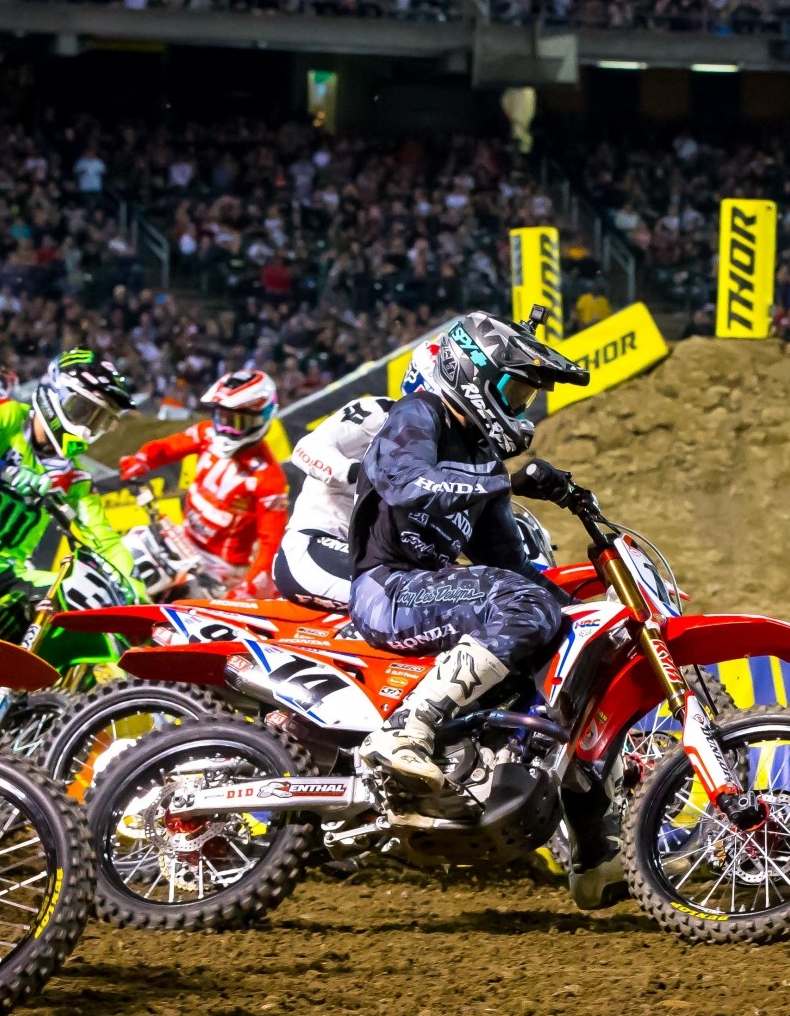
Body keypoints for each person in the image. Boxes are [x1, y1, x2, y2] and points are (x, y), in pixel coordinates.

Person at [347, 312, 586, 791]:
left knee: (561, 617)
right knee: (524, 604)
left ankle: (591, 846)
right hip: (386, 588)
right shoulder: (419, 413)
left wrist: (578, 613)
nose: (521, 408)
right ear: (469, 370)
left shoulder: (483, 457)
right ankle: (404, 731)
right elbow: (405, 483)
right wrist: (506, 484)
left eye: (527, 397)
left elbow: (508, 563)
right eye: (515, 392)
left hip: (421, 590)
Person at [0, 349, 141, 628]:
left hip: (11, 571)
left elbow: (104, 540)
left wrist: (134, 590)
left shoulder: (74, 478)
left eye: (99, 420)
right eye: (84, 412)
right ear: (55, 394)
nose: (87, 429)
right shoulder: (7, 414)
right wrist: (3, 471)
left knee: (76, 609)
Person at [115, 365, 287, 598]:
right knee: (120, 560)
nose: (227, 429)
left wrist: (249, 589)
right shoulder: (207, 433)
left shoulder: (269, 477)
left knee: (174, 616)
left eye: (238, 422)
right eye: (223, 418)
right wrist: (142, 459)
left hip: (220, 568)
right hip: (181, 537)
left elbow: (271, 543)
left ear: (261, 419)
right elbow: (168, 447)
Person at [274, 392, 396, 610]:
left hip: (369, 557)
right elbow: (306, 449)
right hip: (314, 544)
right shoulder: (380, 411)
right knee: (416, 593)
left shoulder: (459, 455)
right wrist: (358, 474)